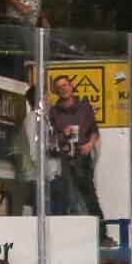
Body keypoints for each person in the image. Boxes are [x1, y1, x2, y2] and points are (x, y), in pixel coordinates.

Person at [48, 75, 103, 222]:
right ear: (56, 91)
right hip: (65, 158)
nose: (63, 89)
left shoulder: (84, 106)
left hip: (82, 157)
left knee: (88, 194)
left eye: (65, 85)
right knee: (69, 196)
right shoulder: (53, 112)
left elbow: (94, 131)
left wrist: (89, 145)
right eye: (59, 87)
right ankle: (76, 232)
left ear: (71, 87)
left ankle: (100, 232)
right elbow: (51, 138)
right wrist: (62, 135)